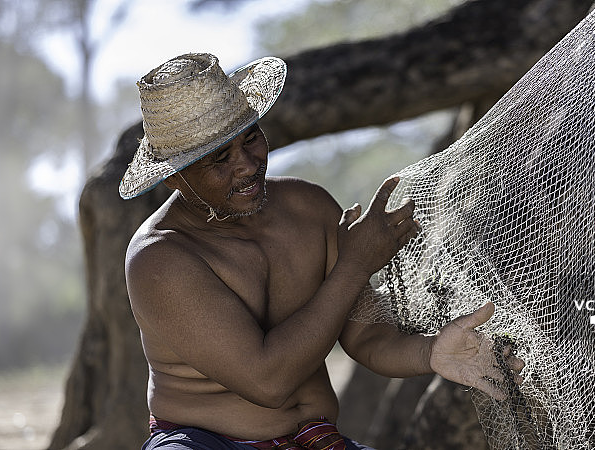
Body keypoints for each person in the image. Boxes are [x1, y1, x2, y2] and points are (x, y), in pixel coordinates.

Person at [120, 53, 524, 450]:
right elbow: (268, 382)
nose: (246, 165)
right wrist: (355, 263)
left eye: (251, 139)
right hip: (205, 443)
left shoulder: (308, 207)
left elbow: (366, 334)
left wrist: (432, 352)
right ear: (174, 177)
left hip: (316, 440)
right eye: (219, 159)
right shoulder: (159, 258)